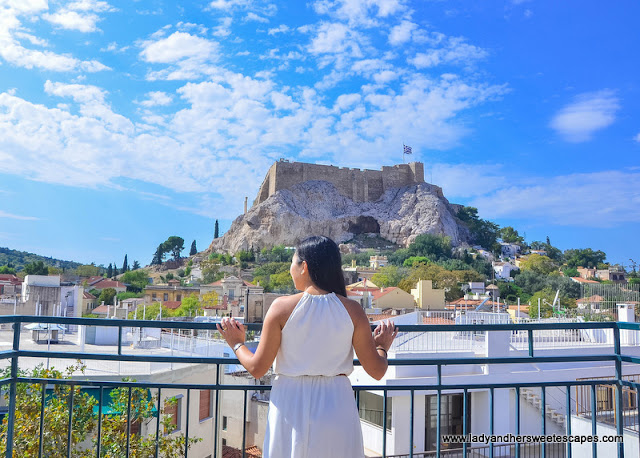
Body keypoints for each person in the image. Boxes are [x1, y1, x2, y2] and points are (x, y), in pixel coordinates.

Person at [217, 235, 398, 457]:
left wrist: (236, 344)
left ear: (304, 267)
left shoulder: (281, 308)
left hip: (290, 403)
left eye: (293, 263)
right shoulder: (353, 310)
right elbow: (377, 371)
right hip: (337, 404)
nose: (290, 269)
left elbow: (257, 368)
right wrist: (382, 347)